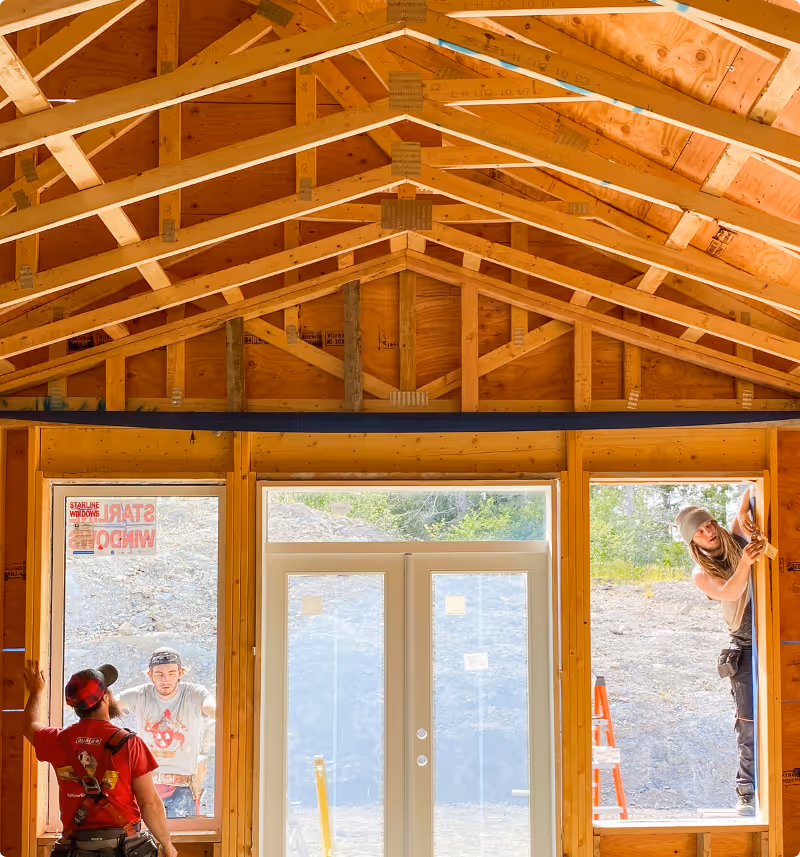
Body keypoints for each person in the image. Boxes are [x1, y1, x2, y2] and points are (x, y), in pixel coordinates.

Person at [22, 661, 177, 857]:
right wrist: (167, 845)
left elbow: (29, 726)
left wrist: (36, 692)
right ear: (105, 698)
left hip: (76, 847)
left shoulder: (58, 740)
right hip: (125, 847)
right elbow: (149, 803)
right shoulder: (130, 743)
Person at [676, 491, 765, 817]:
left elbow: (750, 490)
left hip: (772, 640)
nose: (709, 531)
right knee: (748, 724)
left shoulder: (739, 537)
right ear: (693, 542)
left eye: (710, 523)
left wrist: (751, 496)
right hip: (744, 648)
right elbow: (732, 590)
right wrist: (746, 561)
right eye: (700, 531)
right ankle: (746, 794)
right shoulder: (702, 574)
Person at [118, 647, 216, 819]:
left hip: (183, 787)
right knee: (144, 841)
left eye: (171, 673)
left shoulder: (193, 693)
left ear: (180, 672)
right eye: (160, 674)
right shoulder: (141, 694)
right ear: (150, 675)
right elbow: (106, 706)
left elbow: (211, 707)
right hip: (147, 785)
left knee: (183, 841)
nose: (166, 679)